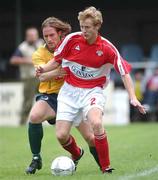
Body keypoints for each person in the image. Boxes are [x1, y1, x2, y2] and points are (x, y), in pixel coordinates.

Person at [36, 7, 146, 174]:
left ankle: (106, 167)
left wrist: (132, 97)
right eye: (81, 26)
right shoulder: (72, 40)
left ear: (97, 26)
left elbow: (124, 73)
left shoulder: (107, 48)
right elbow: (56, 60)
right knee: (61, 135)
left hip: (92, 92)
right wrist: (43, 69)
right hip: (69, 92)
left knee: (96, 122)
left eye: (87, 27)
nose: (83, 31)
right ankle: (77, 153)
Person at [26, 17, 100, 174]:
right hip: (51, 96)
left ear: (60, 34)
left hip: (74, 95)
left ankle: (103, 168)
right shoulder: (39, 54)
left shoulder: (72, 46)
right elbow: (42, 77)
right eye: (45, 36)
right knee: (34, 116)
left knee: (91, 138)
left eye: (52, 35)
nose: (49, 39)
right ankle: (36, 158)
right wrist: (58, 71)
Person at [10, 27, 44, 125]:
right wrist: (28, 60)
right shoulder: (22, 47)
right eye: (31, 35)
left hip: (42, 76)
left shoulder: (41, 43)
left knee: (48, 98)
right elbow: (13, 60)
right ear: (27, 36)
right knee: (28, 102)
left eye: (35, 35)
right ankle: (22, 123)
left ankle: (54, 122)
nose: (33, 37)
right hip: (29, 78)